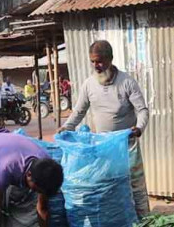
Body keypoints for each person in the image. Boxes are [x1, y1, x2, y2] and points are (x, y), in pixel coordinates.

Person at [57, 40, 150, 217]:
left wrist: (139, 128)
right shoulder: (89, 84)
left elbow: (142, 110)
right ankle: (118, 222)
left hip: (127, 146)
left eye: (99, 61)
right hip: (103, 148)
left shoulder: (127, 82)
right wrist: (66, 127)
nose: (96, 66)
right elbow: (79, 111)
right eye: (92, 61)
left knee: (135, 187)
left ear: (110, 59)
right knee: (110, 186)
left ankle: (143, 221)